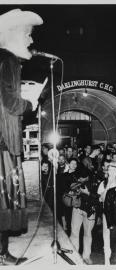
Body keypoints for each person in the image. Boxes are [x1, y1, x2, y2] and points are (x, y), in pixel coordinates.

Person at [0, 9, 43, 265]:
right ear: (13, 35)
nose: (30, 41)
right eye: (28, 35)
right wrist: (30, 103)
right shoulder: (9, 62)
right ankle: (2, 254)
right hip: (4, 144)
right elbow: (10, 103)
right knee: (5, 202)